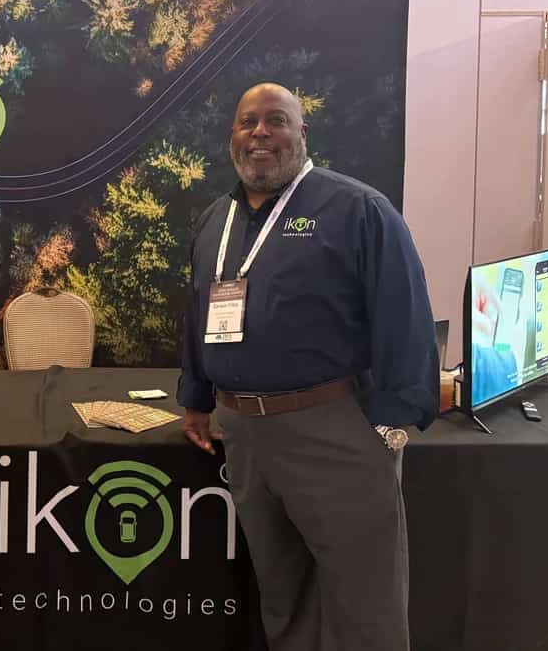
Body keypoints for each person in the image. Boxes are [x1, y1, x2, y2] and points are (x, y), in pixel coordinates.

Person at [178, 82, 438, 651]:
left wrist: (393, 421)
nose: (260, 133)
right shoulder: (215, 220)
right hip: (244, 434)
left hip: (331, 431)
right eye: (248, 122)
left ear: (302, 133)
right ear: (232, 136)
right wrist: (196, 397)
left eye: (276, 120)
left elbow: (405, 312)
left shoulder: (356, 210)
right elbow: (199, 311)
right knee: (284, 595)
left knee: (365, 601)